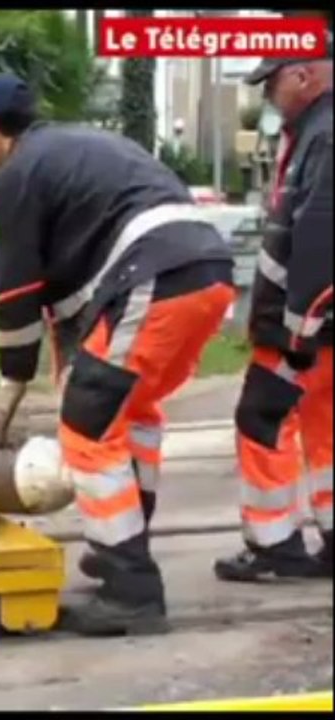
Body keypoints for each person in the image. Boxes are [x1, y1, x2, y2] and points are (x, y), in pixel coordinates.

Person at [0, 73, 236, 635]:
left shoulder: (18, 176)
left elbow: (18, 295)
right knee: (128, 414)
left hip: (157, 274)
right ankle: (121, 545)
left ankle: (131, 590)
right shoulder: (78, 149)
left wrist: (11, 384)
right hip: (205, 273)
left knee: (87, 423)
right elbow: (68, 295)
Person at [214, 43, 333, 582]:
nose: (267, 95)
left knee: (261, 417)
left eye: (272, 82)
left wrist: (300, 324)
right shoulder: (315, 130)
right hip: (317, 321)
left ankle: (273, 545)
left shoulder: (323, 134)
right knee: (325, 424)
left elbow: (319, 232)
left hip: (302, 324)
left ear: (303, 75)